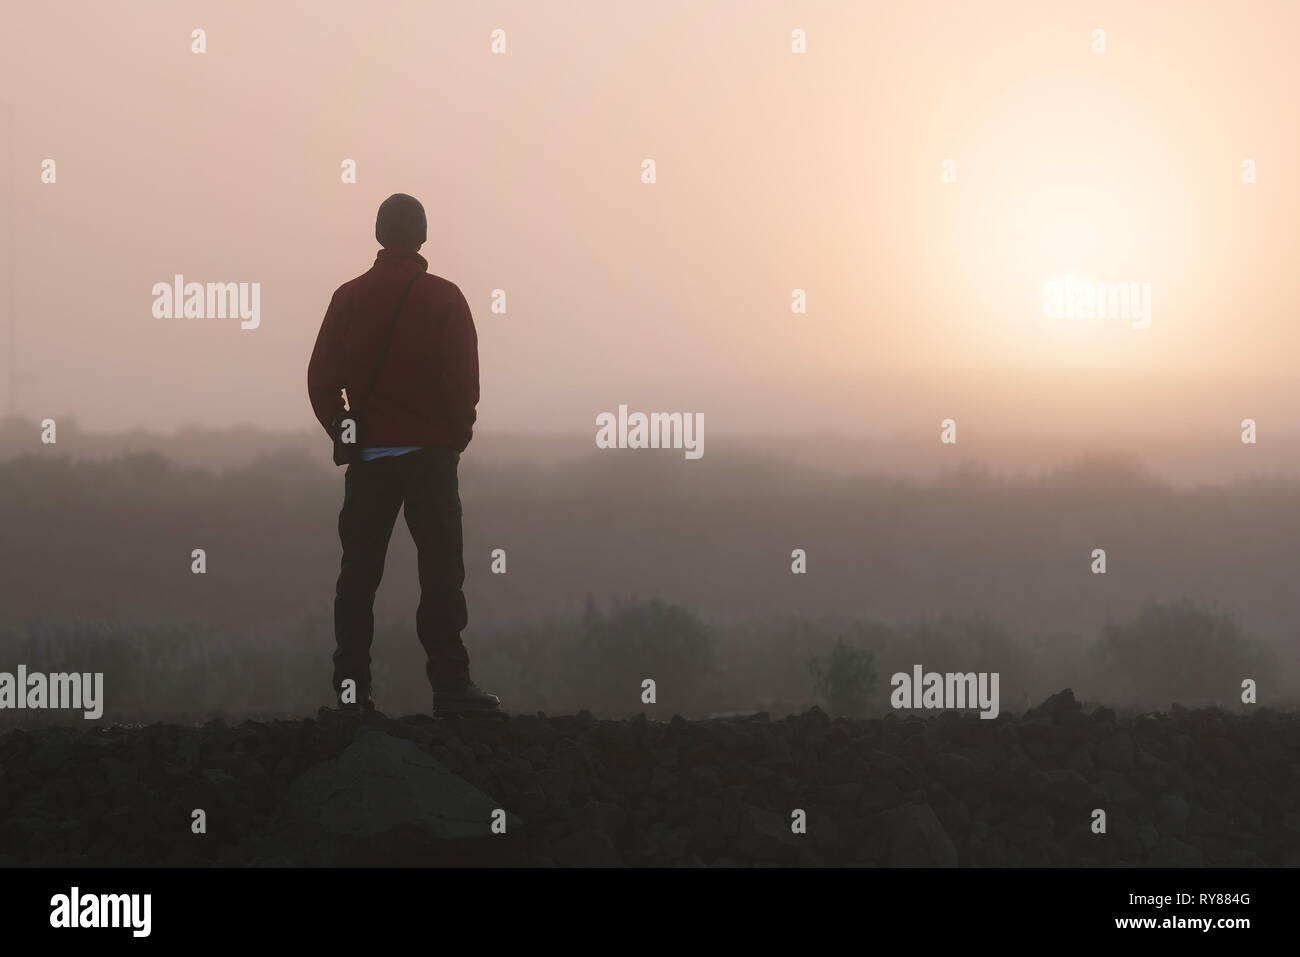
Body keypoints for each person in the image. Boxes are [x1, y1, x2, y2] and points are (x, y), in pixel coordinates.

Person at [307, 193, 500, 716]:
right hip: (430, 458)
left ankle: (351, 693)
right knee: (440, 574)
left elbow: (321, 379)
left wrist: (343, 430)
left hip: (370, 461)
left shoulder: (347, 298)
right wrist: (453, 438)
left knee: (358, 577)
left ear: (377, 233)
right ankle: (451, 687)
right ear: (423, 236)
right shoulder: (444, 299)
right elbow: (464, 382)